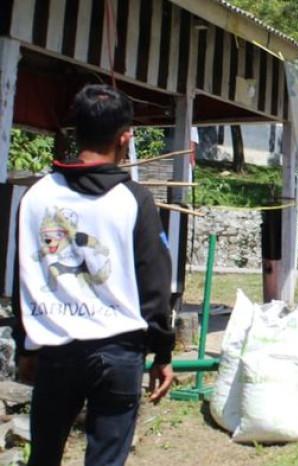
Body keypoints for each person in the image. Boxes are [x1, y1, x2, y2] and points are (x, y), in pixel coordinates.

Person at [12, 84, 175, 466]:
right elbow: (154, 283)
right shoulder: (133, 200)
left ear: (75, 130)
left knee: (44, 457)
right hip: (118, 353)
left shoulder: (36, 196)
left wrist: (25, 346)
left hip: (54, 350)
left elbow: (21, 276)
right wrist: (162, 351)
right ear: (125, 137)